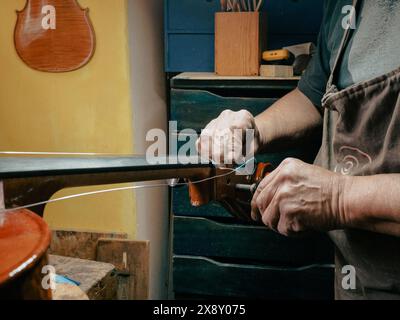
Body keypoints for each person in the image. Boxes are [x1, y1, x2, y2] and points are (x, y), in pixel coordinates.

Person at [196, 0, 400, 300]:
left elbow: (337, 197)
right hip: (358, 281)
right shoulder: (343, 7)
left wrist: (338, 198)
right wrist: (252, 129)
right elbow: (312, 97)